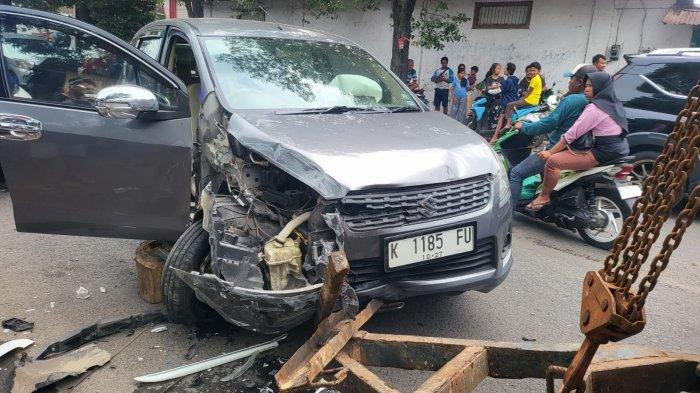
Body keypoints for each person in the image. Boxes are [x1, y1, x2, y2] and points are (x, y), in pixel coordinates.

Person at [526, 72, 629, 211]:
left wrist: (550, 152)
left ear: (601, 87)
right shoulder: (614, 104)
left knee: (553, 162)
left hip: (603, 152)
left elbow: (571, 134)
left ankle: (544, 196)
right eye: (586, 85)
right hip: (621, 148)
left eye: (591, 86)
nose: (586, 89)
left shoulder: (594, 108)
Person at [507, 64, 597, 206]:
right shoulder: (593, 100)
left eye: (571, 79)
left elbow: (548, 123)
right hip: (583, 150)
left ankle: (506, 218)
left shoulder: (572, 100)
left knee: (516, 173)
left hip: (558, 149)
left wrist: (524, 126)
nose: (569, 82)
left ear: (580, 82)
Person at [496, 61, 543, 139]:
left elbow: (528, 92)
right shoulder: (537, 78)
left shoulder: (534, 79)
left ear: (539, 71)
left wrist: (523, 98)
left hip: (529, 100)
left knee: (510, 105)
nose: (531, 72)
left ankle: (508, 124)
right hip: (534, 100)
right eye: (530, 70)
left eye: (534, 70)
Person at [492, 62, 519, 142]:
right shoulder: (515, 80)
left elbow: (499, 91)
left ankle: (495, 137)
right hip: (513, 102)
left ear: (508, 70)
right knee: (503, 118)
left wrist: (487, 90)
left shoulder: (508, 81)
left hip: (506, 103)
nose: (503, 70)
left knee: (500, 118)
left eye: (505, 68)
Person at [479, 63, 504, 129]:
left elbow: (503, 88)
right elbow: (486, 88)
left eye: (500, 69)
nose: (499, 70)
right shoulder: (489, 79)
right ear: (493, 70)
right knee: (490, 116)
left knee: (499, 117)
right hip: (490, 102)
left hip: (499, 101)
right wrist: (495, 86)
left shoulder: (502, 79)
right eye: (498, 68)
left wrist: (493, 88)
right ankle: (490, 130)